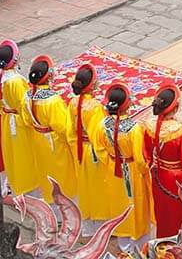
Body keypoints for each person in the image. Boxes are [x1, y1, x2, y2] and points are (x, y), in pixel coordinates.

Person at [90, 82, 153, 253]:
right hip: (132, 170)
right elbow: (140, 159)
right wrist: (146, 171)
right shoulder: (134, 129)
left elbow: (98, 147)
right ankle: (140, 246)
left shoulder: (102, 125)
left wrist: (111, 161)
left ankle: (124, 245)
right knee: (137, 204)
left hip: (113, 169)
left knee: (118, 204)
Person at [144, 83, 182, 238]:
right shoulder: (181, 132)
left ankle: (162, 238)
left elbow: (147, 154)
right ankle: (179, 240)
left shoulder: (148, 127)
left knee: (162, 209)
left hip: (157, 174)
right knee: (177, 211)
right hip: (175, 178)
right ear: (175, 108)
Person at [26, 55, 77, 200]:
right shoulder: (52, 100)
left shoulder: (27, 95)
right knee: (60, 173)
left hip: (38, 138)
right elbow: (62, 127)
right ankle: (64, 206)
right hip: (54, 142)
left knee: (44, 170)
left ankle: (49, 200)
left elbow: (26, 118)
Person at [67, 63, 106, 234]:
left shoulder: (73, 102)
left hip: (79, 148)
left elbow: (70, 130)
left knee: (83, 185)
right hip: (93, 150)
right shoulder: (95, 107)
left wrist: (75, 144)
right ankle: (100, 225)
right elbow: (99, 133)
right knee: (97, 187)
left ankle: (87, 226)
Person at [0, 41, 28, 195]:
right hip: (19, 120)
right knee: (22, 153)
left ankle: (13, 181)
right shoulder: (16, 81)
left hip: (6, 118)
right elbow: (25, 104)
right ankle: (26, 185)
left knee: (11, 153)